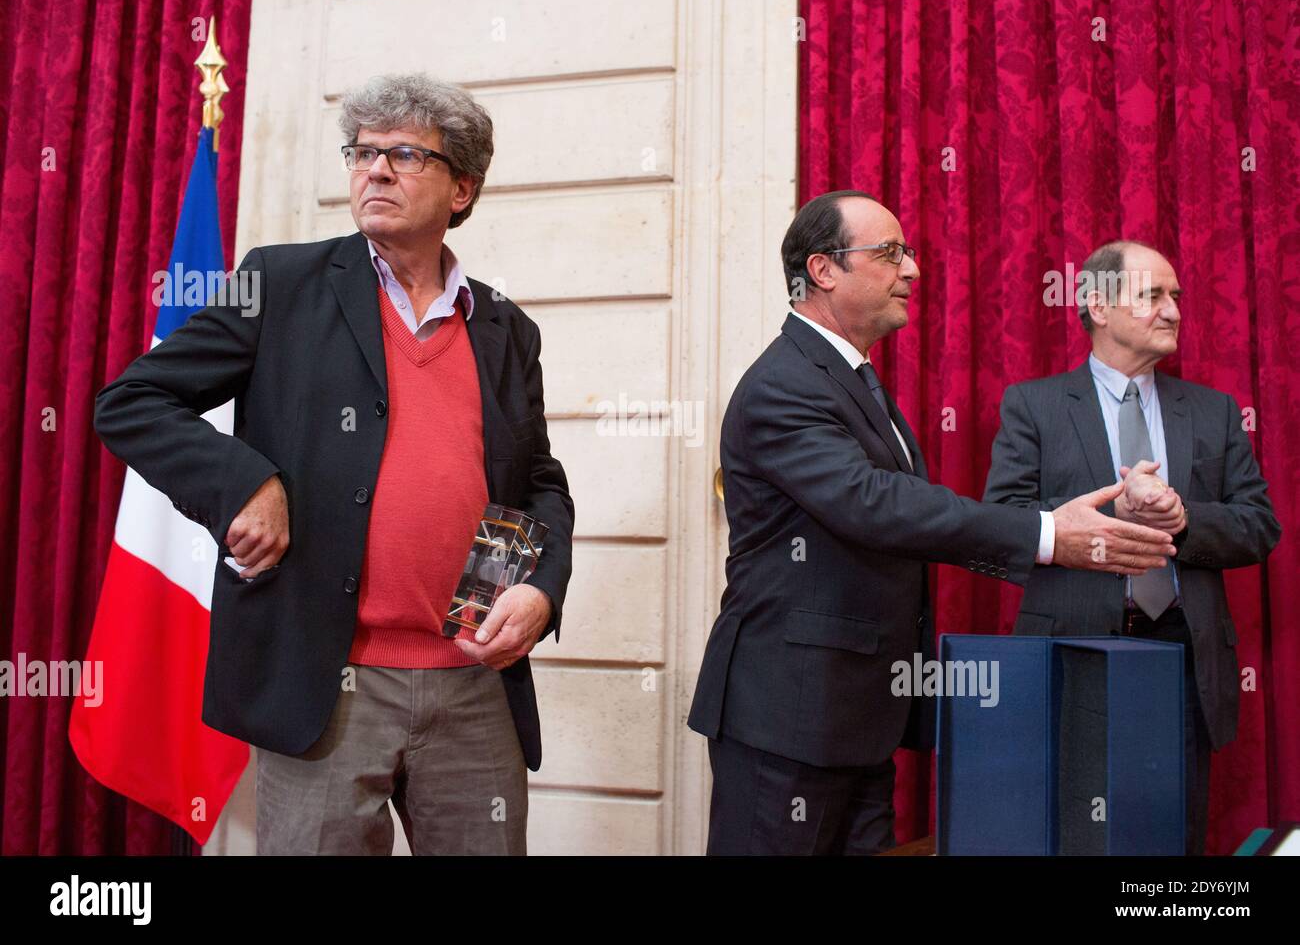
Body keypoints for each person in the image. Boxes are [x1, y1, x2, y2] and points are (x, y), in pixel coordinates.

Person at [94, 73, 574, 855]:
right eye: (362, 151)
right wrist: (243, 481)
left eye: (405, 155)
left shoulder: (505, 327)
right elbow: (133, 400)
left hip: (474, 685)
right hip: (328, 681)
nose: (374, 170)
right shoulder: (280, 285)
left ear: (462, 188)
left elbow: (537, 483)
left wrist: (542, 590)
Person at [686, 191, 1176, 855]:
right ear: (823, 270)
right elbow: (875, 504)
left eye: (909, 252)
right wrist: (1045, 534)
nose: (912, 270)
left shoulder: (850, 378)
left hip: (856, 718)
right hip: (789, 717)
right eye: (890, 253)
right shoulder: (785, 383)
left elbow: (900, 515)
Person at [984, 239, 1280, 854]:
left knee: (1171, 833)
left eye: (1177, 296)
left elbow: (1259, 525)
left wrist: (1181, 518)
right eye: (1153, 295)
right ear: (1097, 304)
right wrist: (1105, 517)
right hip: (1074, 648)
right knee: (1077, 833)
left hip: (1183, 653)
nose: (1173, 310)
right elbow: (1002, 522)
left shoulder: (1214, 411)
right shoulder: (1033, 405)